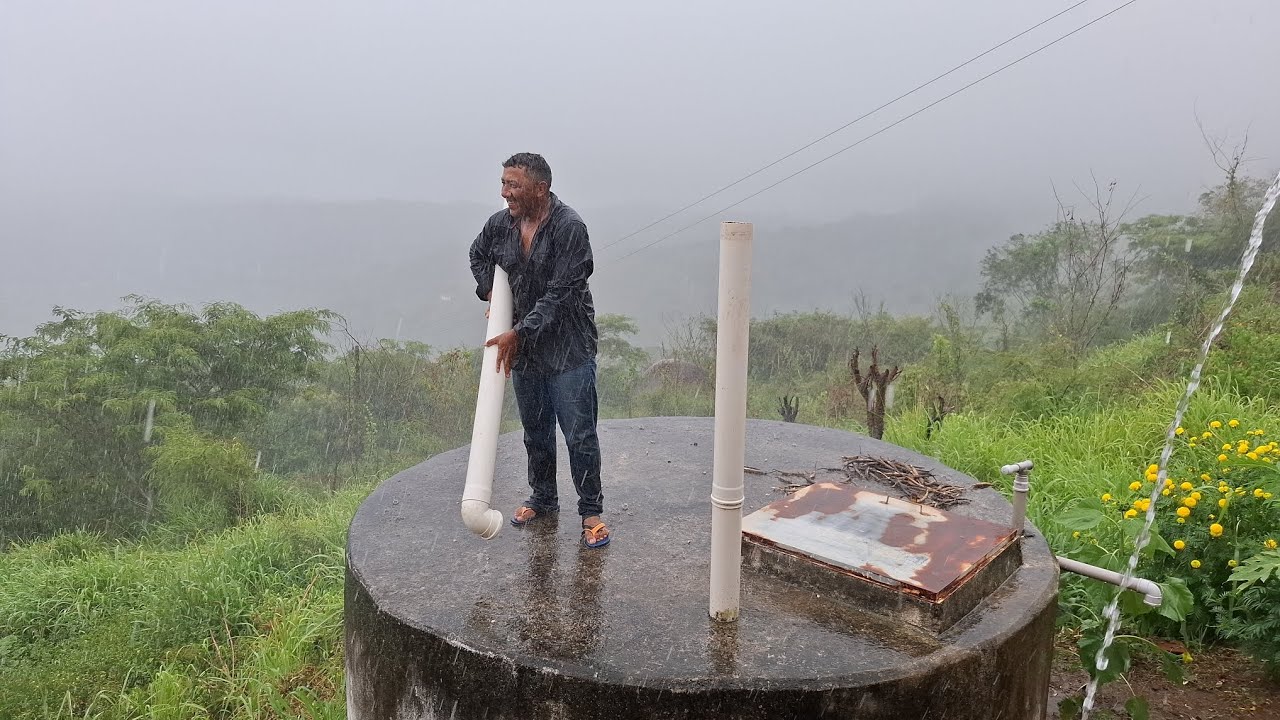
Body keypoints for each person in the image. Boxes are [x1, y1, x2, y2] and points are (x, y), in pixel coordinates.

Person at [468, 153, 610, 548]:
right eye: (503, 183)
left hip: (569, 351)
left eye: (513, 185)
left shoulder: (570, 228)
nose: (504, 192)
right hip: (525, 351)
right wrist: (491, 291)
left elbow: (561, 295)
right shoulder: (501, 226)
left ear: (540, 189)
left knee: (579, 434)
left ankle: (591, 512)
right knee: (536, 431)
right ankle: (543, 497)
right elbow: (477, 254)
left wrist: (518, 331)